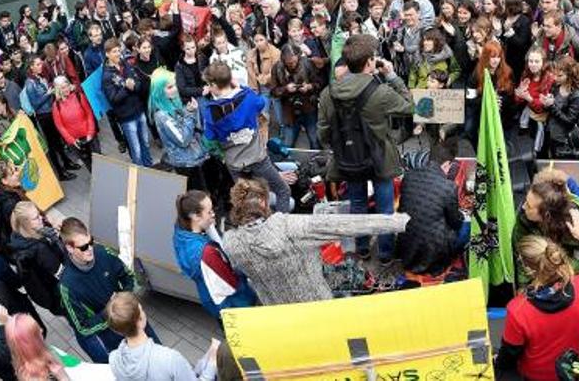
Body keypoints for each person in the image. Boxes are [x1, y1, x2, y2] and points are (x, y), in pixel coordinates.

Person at [220, 178, 409, 305]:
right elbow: (348, 225)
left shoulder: (230, 244)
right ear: (262, 202)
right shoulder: (289, 227)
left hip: (277, 312)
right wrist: (402, 222)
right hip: (316, 304)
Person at [316, 35, 414, 262]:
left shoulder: (328, 93)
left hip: (348, 158)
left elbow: (323, 131)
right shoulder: (380, 92)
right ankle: (386, 253)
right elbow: (409, 106)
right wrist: (391, 76)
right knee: (385, 209)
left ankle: (361, 248)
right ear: (370, 62)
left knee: (357, 204)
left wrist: (342, 145)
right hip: (380, 157)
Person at [496, 208, 579, 381]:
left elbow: (507, 359)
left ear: (527, 268)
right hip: (573, 371)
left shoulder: (518, 311)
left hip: (536, 376)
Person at [57, 217, 153, 363]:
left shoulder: (103, 252)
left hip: (133, 318)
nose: (90, 249)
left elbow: (128, 276)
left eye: (91, 242)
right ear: (69, 248)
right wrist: (111, 312)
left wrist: (123, 299)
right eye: (83, 247)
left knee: (157, 354)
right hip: (111, 334)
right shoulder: (67, 286)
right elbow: (82, 328)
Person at [201, 61, 292, 214]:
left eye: (209, 85)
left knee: (247, 201)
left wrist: (222, 154)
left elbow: (209, 140)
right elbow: (261, 103)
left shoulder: (210, 111)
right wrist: (242, 87)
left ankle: (252, 227)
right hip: (258, 159)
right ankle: (280, 225)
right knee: (283, 191)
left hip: (235, 164)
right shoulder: (247, 97)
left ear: (214, 85)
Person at [172, 190, 257, 318]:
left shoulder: (182, 229)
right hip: (232, 305)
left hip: (210, 299)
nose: (214, 214)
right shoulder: (207, 253)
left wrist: (208, 224)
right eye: (209, 211)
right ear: (195, 216)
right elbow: (231, 284)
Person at [106, 292, 219, 381]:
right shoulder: (170, 358)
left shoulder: (113, 359)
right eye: (141, 310)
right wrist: (213, 360)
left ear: (118, 330)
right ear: (140, 320)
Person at [513, 169, 579, 286]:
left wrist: (549, 270)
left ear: (546, 215)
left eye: (529, 206)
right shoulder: (525, 218)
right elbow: (522, 253)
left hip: (571, 273)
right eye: (526, 201)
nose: (523, 207)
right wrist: (525, 287)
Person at [395, 146, 468, 276]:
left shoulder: (409, 176)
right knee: (468, 227)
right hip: (433, 255)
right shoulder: (448, 187)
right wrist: (462, 215)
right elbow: (455, 223)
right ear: (446, 164)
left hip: (406, 247)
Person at [150, 73, 210, 191]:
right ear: (159, 92)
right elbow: (183, 139)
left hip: (193, 158)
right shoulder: (161, 115)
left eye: (174, 85)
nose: (175, 89)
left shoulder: (171, 103)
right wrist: (191, 114)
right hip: (185, 163)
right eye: (169, 87)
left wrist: (188, 111)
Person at [8, 201, 66, 317]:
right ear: (26, 225)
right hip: (61, 297)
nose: (41, 218)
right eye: (36, 218)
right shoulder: (39, 250)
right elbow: (63, 274)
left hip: (51, 297)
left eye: (39, 214)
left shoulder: (19, 240)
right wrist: (57, 240)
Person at [102, 39, 152, 167]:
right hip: (127, 118)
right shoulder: (106, 76)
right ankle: (140, 175)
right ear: (107, 54)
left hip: (139, 111)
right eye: (114, 51)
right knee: (136, 150)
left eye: (119, 50)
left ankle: (150, 168)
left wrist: (133, 87)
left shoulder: (126, 64)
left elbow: (138, 83)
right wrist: (126, 88)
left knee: (145, 143)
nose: (118, 54)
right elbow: (113, 99)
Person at [51, 76, 99, 172]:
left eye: (67, 86)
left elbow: (89, 114)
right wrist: (72, 140)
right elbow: (60, 126)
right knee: (90, 165)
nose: (66, 89)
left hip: (90, 137)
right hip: (76, 142)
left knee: (100, 161)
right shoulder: (56, 106)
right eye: (63, 88)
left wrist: (90, 133)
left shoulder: (79, 96)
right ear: (58, 90)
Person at [5, 313, 70, 381]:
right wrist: (63, 377)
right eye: (36, 332)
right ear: (30, 345)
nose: (41, 330)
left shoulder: (23, 360)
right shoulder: (38, 378)